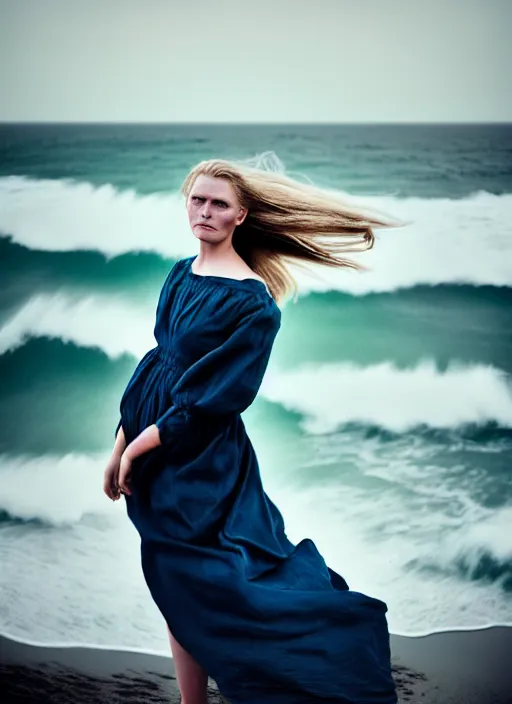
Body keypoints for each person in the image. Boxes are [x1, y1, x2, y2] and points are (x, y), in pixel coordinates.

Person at [103, 154, 405, 704]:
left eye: (220, 204)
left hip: (200, 465)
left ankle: (328, 652)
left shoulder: (254, 305)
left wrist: (139, 447)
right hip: (154, 443)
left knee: (207, 583)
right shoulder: (180, 273)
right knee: (177, 587)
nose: (206, 211)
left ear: (241, 215)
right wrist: (121, 440)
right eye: (198, 200)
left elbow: (213, 402)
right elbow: (158, 362)